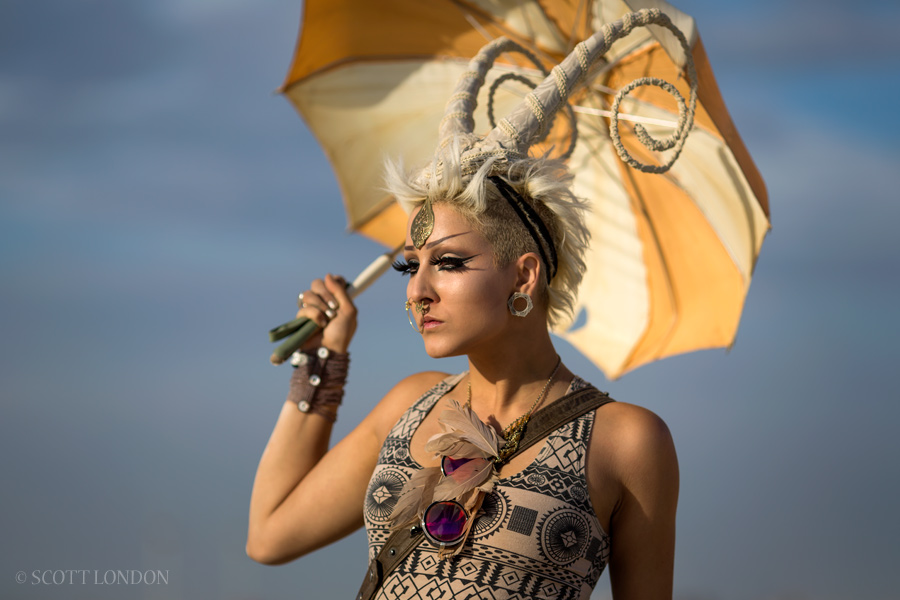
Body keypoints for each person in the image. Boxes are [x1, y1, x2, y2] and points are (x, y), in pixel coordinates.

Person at [248, 15, 687, 599]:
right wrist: (321, 360)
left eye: (449, 263)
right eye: (412, 264)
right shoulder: (410, 404)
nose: (418, 288)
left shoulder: (627, 441)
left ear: (524, 275)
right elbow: (269, 535)